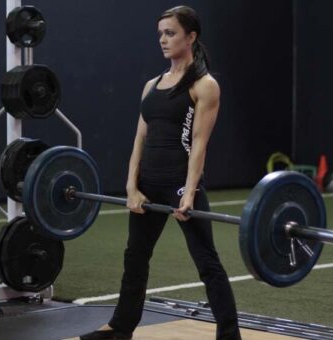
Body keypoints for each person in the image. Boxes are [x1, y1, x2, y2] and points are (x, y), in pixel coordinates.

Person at [81, 6, 240, 340]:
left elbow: (199, 144)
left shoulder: (204, 85)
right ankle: (120, 329)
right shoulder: (151, 85)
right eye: (161, 34)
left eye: (171, 33)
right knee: (135, 258)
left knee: (206, 261)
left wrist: (190, 190)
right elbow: (140, 139)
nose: (163, 40)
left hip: (181, 184)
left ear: (191, 36)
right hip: (147, 184)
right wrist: (131, 186)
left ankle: (229, 335)